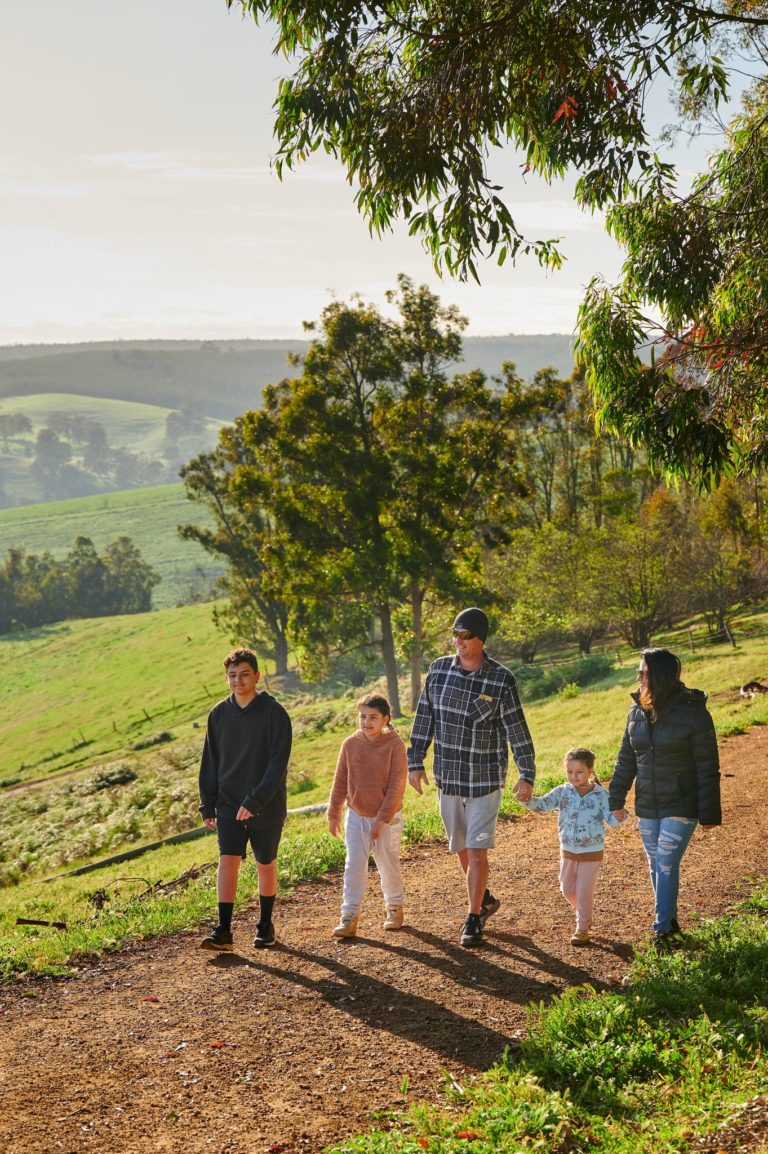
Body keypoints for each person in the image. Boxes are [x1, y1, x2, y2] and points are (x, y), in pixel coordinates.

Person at [408, 607, 536, 948]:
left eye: (466, 636)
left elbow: (517, 730)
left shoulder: (501, 679)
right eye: (455, 634)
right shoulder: (437, 670)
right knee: (461, 847)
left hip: (484, 779)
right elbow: (425, 717)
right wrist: (414, 760)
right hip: (448, 777)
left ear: (481, 639)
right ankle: (485, 898)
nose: (459, 641)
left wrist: (527, 773)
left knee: (477, 850)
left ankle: (473, 918)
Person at [609, 647, 721, 948]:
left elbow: (708, 766)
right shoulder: (637, 711)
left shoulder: (693, 712)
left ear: (657, 676)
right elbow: (625, 760)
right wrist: (615, 799)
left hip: (682, 802)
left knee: (666, 862)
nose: (637, 677)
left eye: (642, 672)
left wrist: (709, 813)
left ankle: (661, 929)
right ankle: (669, 922)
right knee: (655, 861)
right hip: (648, 803)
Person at [198, 648, 292, 952]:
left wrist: (255, 801)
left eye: (244, 674)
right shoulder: (218, 714)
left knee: (266, 863)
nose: (238, 680)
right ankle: (223, 930)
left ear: (256, 676)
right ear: (227, 678)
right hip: (227, 803)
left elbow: (278, 764)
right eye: (232, 675)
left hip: (266, 805)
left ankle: (265, 926)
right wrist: (207, 803)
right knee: (227, 862)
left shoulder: (274, 713)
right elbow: (210, 761)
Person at [522, 748, 629, 945]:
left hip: (592, 852)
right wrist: (527, 800)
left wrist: (621, 815)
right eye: (570, 772)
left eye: (579, 772)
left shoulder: (600, 795)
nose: (574, 776)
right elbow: (543, 805)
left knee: (584, 890)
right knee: (566, 888)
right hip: (568, 851)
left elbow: (611, 821)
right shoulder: (562, 791)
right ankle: (584, 913)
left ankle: (582, 928)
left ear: (590, 771)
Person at [326, 693, 408, 938]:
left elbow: (397, 784)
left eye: (373, 717)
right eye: (363, 716)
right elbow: (340, 780)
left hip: (388, 818)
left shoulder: (395, 745)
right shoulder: (350, 744)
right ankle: (349, 916)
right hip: (356, 816)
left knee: (387, 862)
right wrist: (333, 813)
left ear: (386, 719)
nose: (367, 722)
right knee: (354, 865)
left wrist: (382, 819)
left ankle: (394, 907)